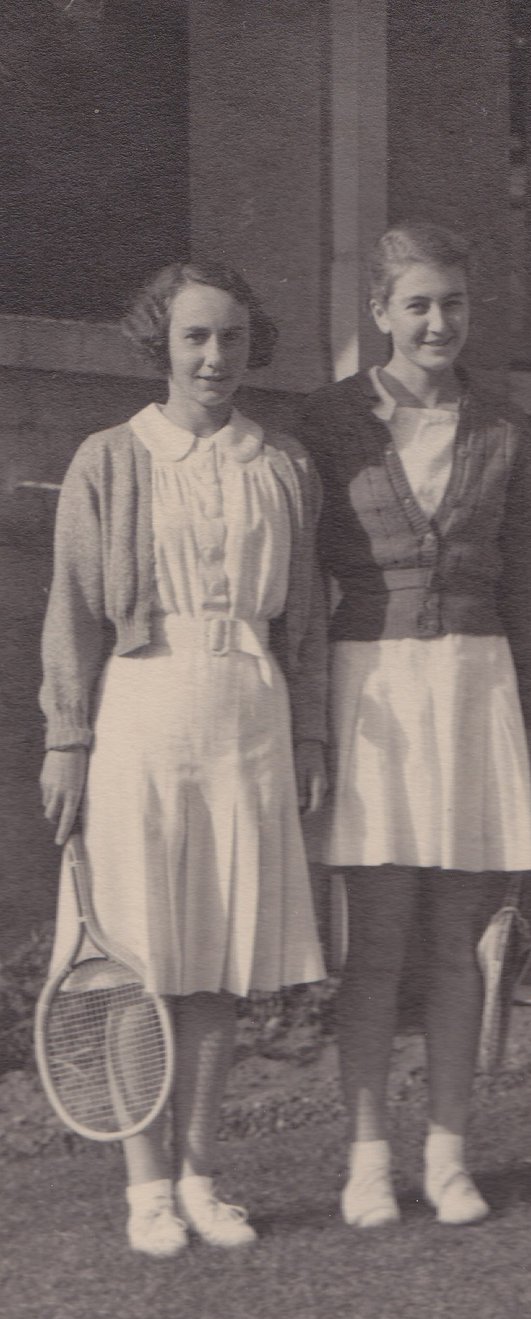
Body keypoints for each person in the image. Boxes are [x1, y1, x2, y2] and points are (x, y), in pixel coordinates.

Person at [39, 262, 329, 1258]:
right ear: (161, 342)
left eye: (234, 339)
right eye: (197, 338)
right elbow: (74, 612)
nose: (216, 358)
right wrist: (68, 741)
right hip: (142, 717)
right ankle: (146, 1187)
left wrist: (308, 732)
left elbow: (307, 626)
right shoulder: (111, 460)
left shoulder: (282, 462)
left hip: (247, 716)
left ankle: (203, 1174)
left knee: (219, 964)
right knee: (139, 964)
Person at [298, 222, 531, 1228]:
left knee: (459, 941)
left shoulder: (504, 423)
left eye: (452, 303)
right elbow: (299, 585)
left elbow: (530, 585)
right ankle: (367, 1158)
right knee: (378, 944)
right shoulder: (327, 423)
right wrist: (308, 717)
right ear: (380, 313)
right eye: (417, 305)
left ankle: (448, 1154)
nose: (438, 322)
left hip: (476, 687)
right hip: (374, 694)